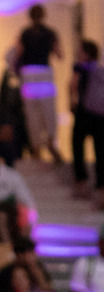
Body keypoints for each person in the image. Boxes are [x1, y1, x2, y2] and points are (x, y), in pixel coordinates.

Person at [15, 4, 63, 164]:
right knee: (48, 112)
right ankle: (50, 141)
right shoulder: (50, 33)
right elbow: (59, 54)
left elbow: (18, 54)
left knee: (32, 114)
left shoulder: (25, 33)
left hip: (29, 75)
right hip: (44, 74)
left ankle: (36, 148)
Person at [71, 40, 104, 202]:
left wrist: (72, 101)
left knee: (78, 145)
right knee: (100, 150)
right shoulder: (99, 69)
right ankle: (101, 187)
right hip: (100, 115)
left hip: (84, 112)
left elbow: (73, 84)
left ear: (87, 53)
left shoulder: (81, 67)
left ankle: (82, 182)